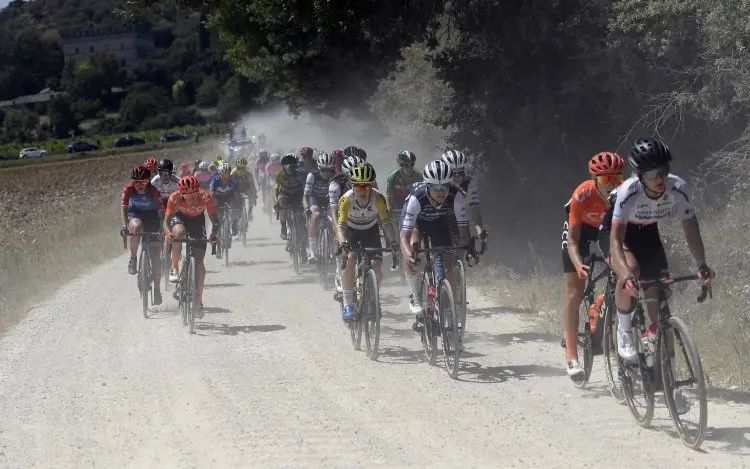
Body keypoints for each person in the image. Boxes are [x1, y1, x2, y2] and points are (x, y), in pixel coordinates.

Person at [599, 136, 715, 362]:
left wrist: (701, 264)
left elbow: (691, 231)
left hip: (647, 234)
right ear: (640, 175)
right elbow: (615, 239)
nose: (660, 178)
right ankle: (624, 331)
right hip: (615, 234)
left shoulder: (678, 188)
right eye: (653, 174)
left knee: (659, 293)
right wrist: (627, 275)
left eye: (663, 170)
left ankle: (660, 365)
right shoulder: (628, 192)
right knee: (631, 269)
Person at [560, 151, 625, 378]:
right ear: (595, 180)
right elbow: (572, 241)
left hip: (607, 230)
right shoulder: (582, 194)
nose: (612, 185)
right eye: (606, 180)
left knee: (621, 276)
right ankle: (571, 356)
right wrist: (578, 265)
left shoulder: (624, 193)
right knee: (574, 292)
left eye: (617, 178)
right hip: (581, 233)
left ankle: (599, 304)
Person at [400, 160, 468, 326]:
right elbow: (404, 237)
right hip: (418, 222)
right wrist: (410, 256)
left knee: (448, 265)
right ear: (427, 186)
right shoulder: (417, 198)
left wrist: (468, 248)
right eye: (436, 188)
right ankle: (415, 295)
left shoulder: (456, 195)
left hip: (439, 222)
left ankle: (450, 307)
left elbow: (463, 227)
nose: (441, 192)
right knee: (417, 256)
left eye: (444, 187)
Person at [335, 162, 397, 321]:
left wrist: (392, 241)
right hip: (352, 231)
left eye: (366, 186)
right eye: (358, 187)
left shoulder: (378, 198)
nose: (363, 190)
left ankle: (372, 299)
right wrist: (342, 244)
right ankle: (348, 303)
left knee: (377, 269)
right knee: (350, 259)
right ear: (352, 186)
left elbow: (386, 223)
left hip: (371, 231)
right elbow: (340, 228)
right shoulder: (346, 200)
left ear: (371, 185)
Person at [164, 176, 219, 315]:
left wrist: (214, 234)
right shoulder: (174, 197)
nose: (192, 198)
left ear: (198, 190)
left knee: (199, 261)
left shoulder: (206, 196)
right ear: (181, 193)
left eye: (194, 194)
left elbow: (215, 220)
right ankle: (174, 267)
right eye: (188, 196)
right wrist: (168, 233)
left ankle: (199, 300)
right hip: (180, 218)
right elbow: (166, 221)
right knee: (179, 233)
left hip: (197, 221)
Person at [120, 165, 165, 304]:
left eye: (143, 182)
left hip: (153, 218)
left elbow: (161, 212)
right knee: (136, 228)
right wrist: (124, 225)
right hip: (136, 215)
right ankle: (133, 258)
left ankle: (157, 289)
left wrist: (163, 228)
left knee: (155, 256)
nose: (139, 185)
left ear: (148, 181)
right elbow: (124, 208)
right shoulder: (128, 189)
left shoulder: (154, 192)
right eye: (136, 182)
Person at [304, 152, 335, 262]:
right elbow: (306, 195)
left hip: (329, 201)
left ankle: (332, 252)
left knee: (332, 223)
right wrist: (307, 208)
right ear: (318, 168)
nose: (326, 173)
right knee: (315, 217)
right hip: (315, 200)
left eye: (329, 170)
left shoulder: (335, 176)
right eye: (323, 170)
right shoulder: (312, 175)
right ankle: (312, 252)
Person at [386, 150, 423, 234]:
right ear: (400, 165)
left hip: (412, 202)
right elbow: (389, 194)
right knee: (397, 228)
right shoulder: (392, 177)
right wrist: (389, 208)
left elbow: (422, 193)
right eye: (406, 165)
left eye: (412, 164)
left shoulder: (419, 176)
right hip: (397, 204)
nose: (409, 168)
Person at [274, 153, 307, 242]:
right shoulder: (279, 174)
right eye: (287, 166)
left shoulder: (301, 172)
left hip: (298, 194)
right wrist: (277, 201)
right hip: (285, 193)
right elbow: (276, 188)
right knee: (282, 204)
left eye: (292, 166)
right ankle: (283, 228)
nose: (290, 168)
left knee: (301, 214)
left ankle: (303, 230)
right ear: (283, 167)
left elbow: (305, 187)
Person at [210, 162, 241, 244]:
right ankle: (218, 239)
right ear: (219, 174)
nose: (224, 177)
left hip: (229, 196)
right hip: (218, 198)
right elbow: (212, 191)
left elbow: (236, 192)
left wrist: (238, 205)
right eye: (222, 174)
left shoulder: (233, 179)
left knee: (235, 208)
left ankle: (234, 225)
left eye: (226, 174)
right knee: (219, 219)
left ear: (229, 174)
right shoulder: (215, 179)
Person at [231, 158, 258, 223]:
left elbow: (252, 185)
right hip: (237, 189)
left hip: (246, 188)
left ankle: (250, 212)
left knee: (251, 194)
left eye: (243, 168)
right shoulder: (233, 172)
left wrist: (254, 197)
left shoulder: (248, 173)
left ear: (245, 167)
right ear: (237, 167)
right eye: (240, 168)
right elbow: (229, 184)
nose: (242, 170)